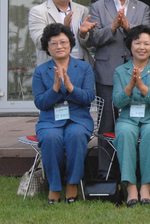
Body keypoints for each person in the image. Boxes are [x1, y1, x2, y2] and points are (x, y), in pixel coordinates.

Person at [90, 0, 150, 177]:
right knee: (106, 122)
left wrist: (127, 28)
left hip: (137, 73)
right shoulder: (97, 7)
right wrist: (112, 27)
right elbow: (93, 38)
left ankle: (133, 168)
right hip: (107, 72)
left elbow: (145, 38)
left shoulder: (142, 8)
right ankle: (104, 170)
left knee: (133, 120)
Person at [32, 23, 95, 204]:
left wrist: (70, 87)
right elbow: (41, 103)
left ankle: (73, 183)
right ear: (47, 48)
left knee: (75, 135)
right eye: (54, 43)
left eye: (63, 42)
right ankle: (54, 185)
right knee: (51, 138)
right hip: (50, 120)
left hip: (78, 119)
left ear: (70, 44)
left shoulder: (84, 68)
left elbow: (88, 98)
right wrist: (54, 89)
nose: (59, 46)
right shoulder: (40, 71)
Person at [112, 26, 150, 207]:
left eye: (146, 43)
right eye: (137, 43)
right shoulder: (120, 71)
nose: (142, 47)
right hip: (128, 118)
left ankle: (146, 186)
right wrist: (129, 86)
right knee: (125, 133)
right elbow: (118, 102)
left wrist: (142, 87)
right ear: (130, 46)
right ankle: (130, 187)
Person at [29, 0, 97, 67]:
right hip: (54, 67)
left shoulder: (82, 10)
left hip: (81, 65)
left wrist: (83, 34)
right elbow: (40, 43)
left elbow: (89, 44)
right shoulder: (38, 11)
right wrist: (63, 29)